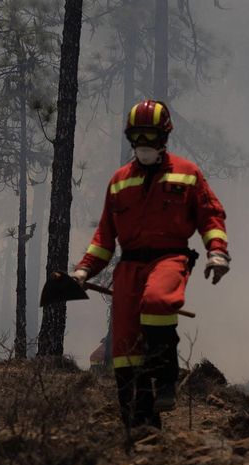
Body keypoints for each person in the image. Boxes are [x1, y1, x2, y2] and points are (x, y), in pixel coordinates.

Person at [70, 99, 230, 429]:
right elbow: (104, 237)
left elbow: (210, 215)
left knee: (158, 300)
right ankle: (140, 421)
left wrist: (217, 251)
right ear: (130, 138)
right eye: (138, 137)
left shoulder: (187, 173)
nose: (144, 145)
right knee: (125, 348)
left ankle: (166, 378)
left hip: (170, 257)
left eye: (151, 137)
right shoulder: (119, 181)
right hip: (129, 267)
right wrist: (84, 269)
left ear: (164, 137)